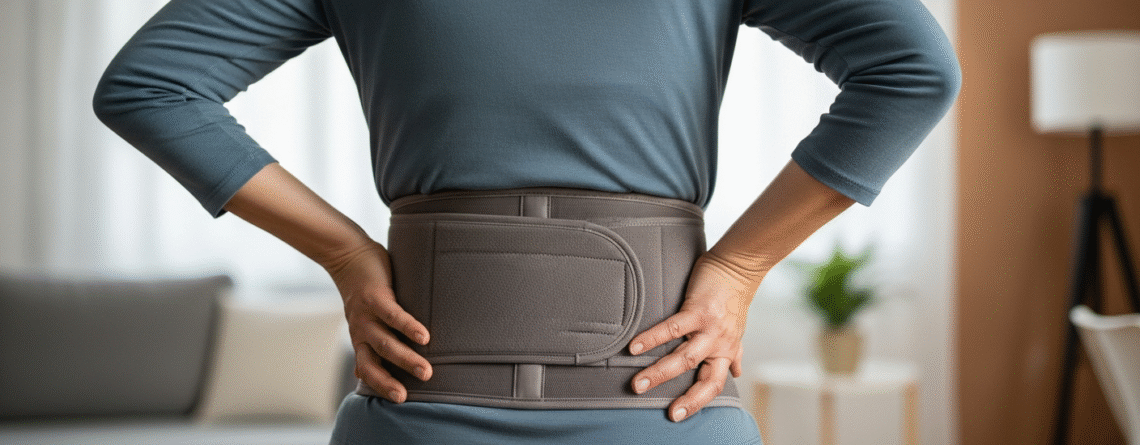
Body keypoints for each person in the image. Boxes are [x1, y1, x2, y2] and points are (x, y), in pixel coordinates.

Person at [93, 0, 961, 443]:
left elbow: (152, 87)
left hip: (550, 406)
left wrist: (348, 252)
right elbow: (914, 70)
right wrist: (738, 266)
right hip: (637, 409)